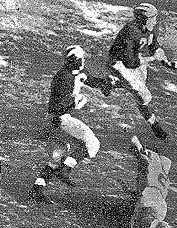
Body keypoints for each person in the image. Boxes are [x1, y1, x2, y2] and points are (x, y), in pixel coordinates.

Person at [29, 45, 120, 204]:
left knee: (58, 154)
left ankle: (37, 189)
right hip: (60, 119)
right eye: (80, 59)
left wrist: (109, 82)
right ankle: (66, 170)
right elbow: (56, 106)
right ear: (76, 61)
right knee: (92, 143)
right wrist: (75, 102)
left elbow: (93, 81)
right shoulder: (63, 78)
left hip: (56, 120)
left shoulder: (77, 73)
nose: (83, 61)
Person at [107, 3, 177, 141]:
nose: (155, 21)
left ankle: (153, 124)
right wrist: (152, 59)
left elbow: (155, 47)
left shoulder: (149, 29)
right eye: (153, 18)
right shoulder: (130, 32)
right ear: (143, 19)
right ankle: (112, 81)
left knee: (140, 97)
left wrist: (166, 62)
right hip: (120, 64)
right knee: (144, 96)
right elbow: (129, 62)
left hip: (137, 60)